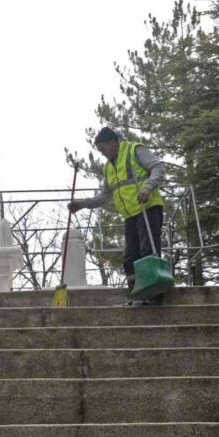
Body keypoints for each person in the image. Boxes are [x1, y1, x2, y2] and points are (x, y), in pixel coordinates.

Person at [68, 127, 166, 304]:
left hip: (148, 207)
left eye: (103, 148)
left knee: (147, 252)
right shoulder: (108, 168)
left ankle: (155, 295)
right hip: (130, 215)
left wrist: (148, 187)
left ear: (113, 142)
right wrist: (82, 204)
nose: (102, 153)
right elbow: (104, 196)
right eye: (99, 150)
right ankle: (138, 294)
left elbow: (157, 167)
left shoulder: (134, 150)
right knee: (129, 258)